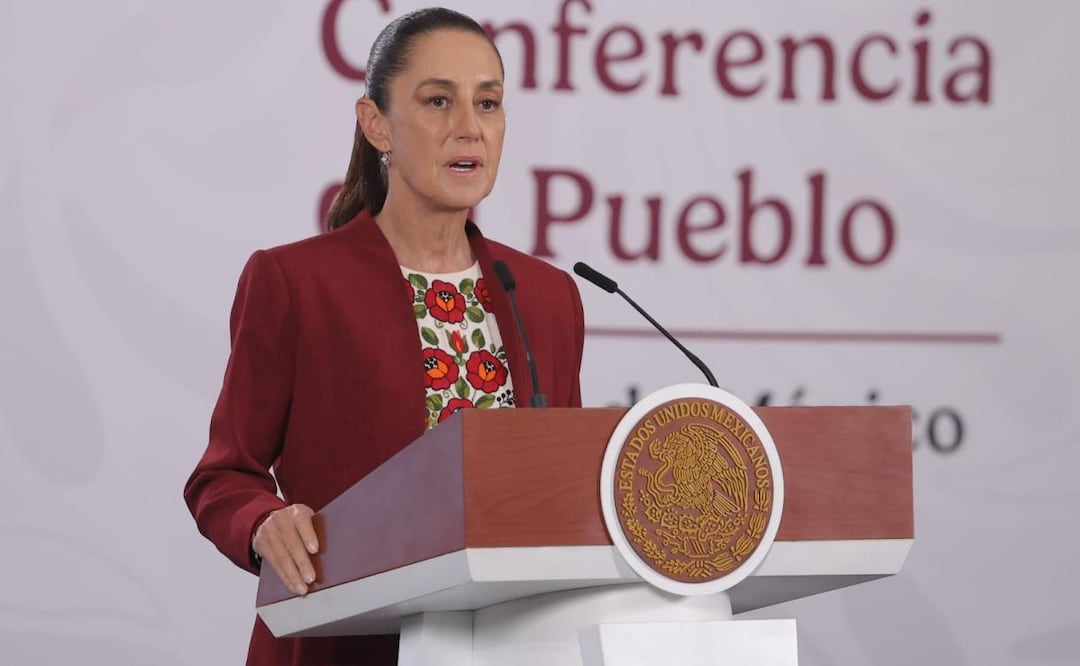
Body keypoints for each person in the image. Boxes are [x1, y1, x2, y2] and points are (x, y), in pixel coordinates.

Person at [183, 7, 585, 665]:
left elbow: (560, 484)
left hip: (513, 643)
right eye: (437, 101)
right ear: (376, 124)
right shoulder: (294, 281)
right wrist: (263, 523)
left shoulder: (545, 295)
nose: (469, 128)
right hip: (345, 642)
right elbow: (224, 475)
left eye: (488, 103)